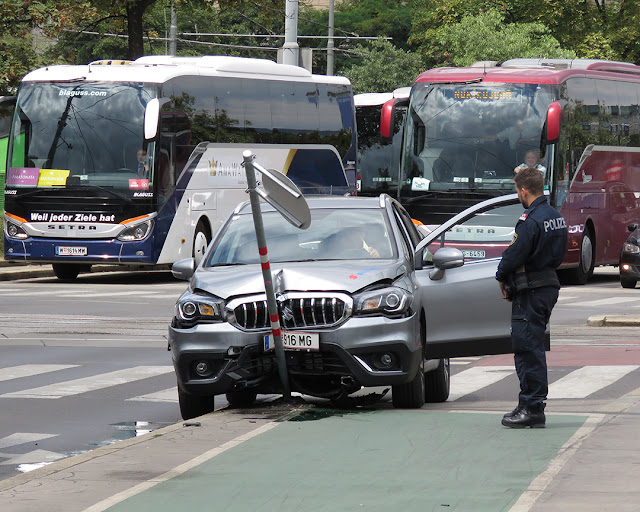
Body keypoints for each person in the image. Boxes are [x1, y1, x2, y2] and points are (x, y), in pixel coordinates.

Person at [496, 167, 567, 428]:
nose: (518, 195)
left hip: (531, 290)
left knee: (528, 349)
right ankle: (529, 403)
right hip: (548, 286)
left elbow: (515, 254)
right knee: (532, 346)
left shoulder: (531, 220)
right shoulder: (556, 217)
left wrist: (500, 275)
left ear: (523, 190)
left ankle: (532, 407)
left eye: (517, 191)